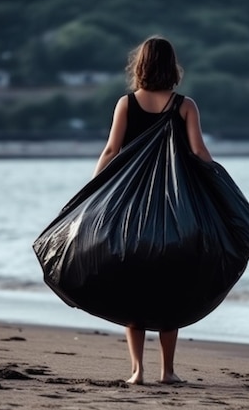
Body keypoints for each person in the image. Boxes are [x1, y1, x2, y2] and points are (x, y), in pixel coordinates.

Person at [92, 35, 213, 385]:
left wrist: (91, 191)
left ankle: (137, 371)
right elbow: (199, 154)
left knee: (134, 287)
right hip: (175, 210)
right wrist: (221, 184)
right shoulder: (185, 105)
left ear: (140, 66)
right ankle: (168, 371)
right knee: (170, 287)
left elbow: (111, 150)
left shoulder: (126, 104)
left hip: (131, 210)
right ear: (172, 66)